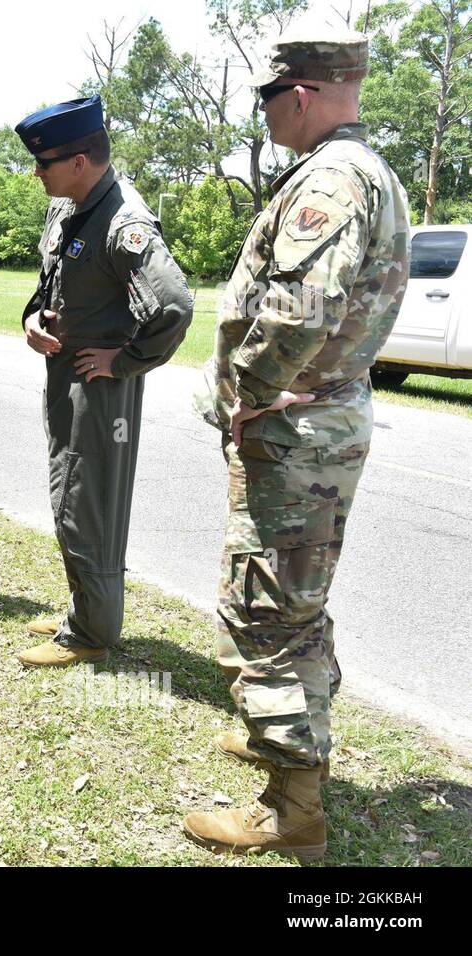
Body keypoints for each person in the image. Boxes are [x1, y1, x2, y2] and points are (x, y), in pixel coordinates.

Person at [182, 27, 409, 861]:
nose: (267, 115)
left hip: (293, 432)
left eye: (269, 98)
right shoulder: (365, 171)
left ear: (302, 93)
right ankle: (287, 741)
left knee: (267, 609)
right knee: (293, 603)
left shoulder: (332, 180)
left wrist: (249, 393)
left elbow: (300, 310)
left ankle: (292, 810)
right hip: (317, 420)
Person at [11, 95, 193, 668]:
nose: (37, 173)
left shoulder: (124, 221)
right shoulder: (70, 207)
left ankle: (91, 630)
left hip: (99, 386)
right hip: (65, 376)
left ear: (81, 161)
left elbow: (174, 306)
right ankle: (83, 606)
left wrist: (123, 361)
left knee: (86, 500)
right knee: (70, 491)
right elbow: (53, 283)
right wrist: (32, 317)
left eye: (45, 163)